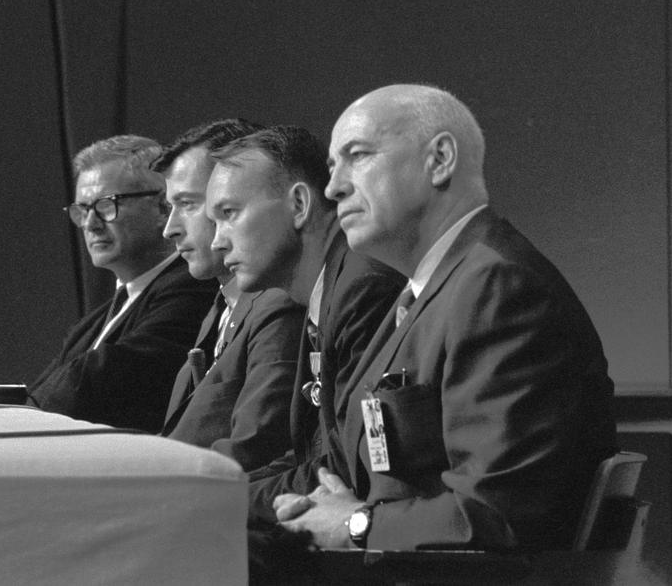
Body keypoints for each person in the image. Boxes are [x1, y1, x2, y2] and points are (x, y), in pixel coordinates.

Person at [273, 84, 616, 552]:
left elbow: (497, 514)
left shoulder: (497, 287)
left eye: (358, 155)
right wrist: (323, 506)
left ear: (439, 159)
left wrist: (355, 525)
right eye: (333, 167)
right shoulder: (429, 288)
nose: (333, 188)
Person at [203, 126, 404, 520]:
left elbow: (347, 469)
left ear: (298, 204)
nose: (217, 242)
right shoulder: (322, 290)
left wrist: (218, 503)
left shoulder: (361, 289)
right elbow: (309, 457)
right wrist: (218, 495)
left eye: (229, 215)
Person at [28, 134, 217, 433]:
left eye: (105, 205)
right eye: (82, 210)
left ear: (162, 207)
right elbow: (34, 397)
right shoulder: (96, 320)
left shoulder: (194, 287)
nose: (90, 224)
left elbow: (91, 382)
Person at [154, 119, 305, 472]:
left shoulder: (278, 305)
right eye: (169, 207)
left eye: (188, 204)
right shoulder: (220, 307)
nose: (170, 229)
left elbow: (255, 452)